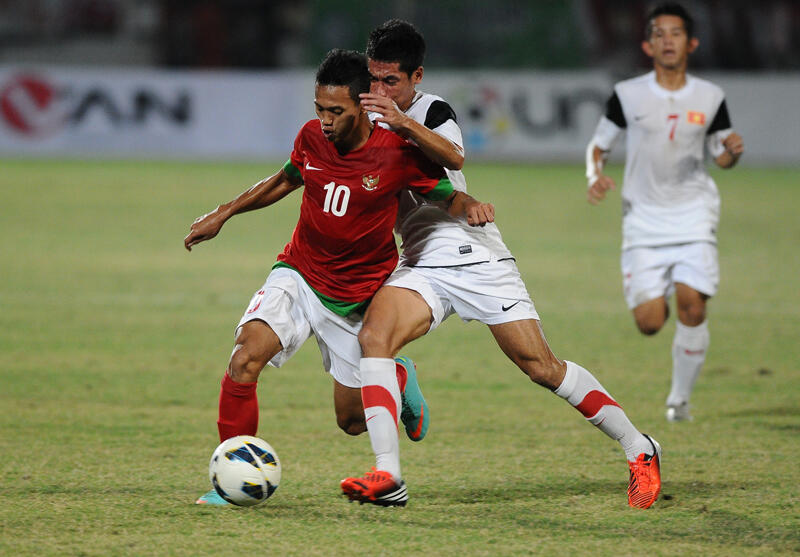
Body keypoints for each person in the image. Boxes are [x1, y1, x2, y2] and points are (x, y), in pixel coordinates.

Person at [339, 19, 662, 510]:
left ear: (416, 77)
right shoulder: (362, 115)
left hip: (473, 253)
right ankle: (388, 475)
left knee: (541, 367)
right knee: (373, 340)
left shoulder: (431, 110)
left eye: (391, 81)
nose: (380, 90)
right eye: (374, 78)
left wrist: (401, 121)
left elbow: (454, 156)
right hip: (421, 260)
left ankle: (639, 447)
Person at [184, 49, 467, 505]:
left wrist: (467, 207)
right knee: (244, 359)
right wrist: (226, 212)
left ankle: (396, 375)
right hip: (299, 273)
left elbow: (445, 190)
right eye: (320, 109)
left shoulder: (395, 152)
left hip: (358, 297)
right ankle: (229, 481)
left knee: (352, 423)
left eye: (336, 111)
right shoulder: (312, 137)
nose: (326, 121)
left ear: (363, 105)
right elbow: (283, 179)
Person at [585, 3, 744, 422]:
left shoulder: (710, 97)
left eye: (676, 33)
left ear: (690, 43)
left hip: (694, 216)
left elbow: (721, 155)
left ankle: (679, 401)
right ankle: (667, 285)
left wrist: (730, 155)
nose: (668, 40)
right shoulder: (628, 95)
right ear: (647, 44)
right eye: (659, 33)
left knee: (693, 306)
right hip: (644, 221)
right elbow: (599, 146)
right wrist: (593, 175)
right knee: (650, 322)